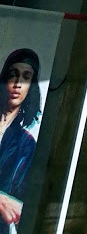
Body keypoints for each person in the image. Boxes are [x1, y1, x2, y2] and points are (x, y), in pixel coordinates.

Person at [0, 47, 40, 227]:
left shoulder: (27, 145)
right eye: (13, 75)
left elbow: (20, 206)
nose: (17, 84)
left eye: (26, 77)